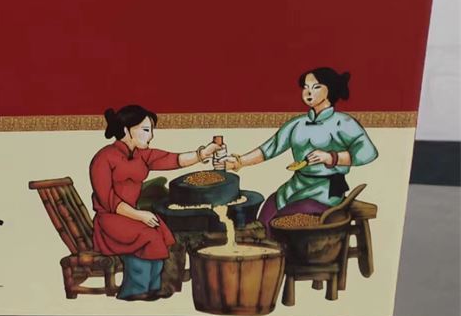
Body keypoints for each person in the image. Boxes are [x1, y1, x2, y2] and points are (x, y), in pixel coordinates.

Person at [90, 105, 222, 301]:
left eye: (151, 130)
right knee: (148, 234)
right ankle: (135, 290)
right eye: (145, 130)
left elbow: (174, 159)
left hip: (132, 217)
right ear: (126, 130)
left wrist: (204, 153)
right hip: (110, 220)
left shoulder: (142, 155)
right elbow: (108, 199)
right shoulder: (103, 158)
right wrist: (140, 215)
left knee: (161, 232)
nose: (150, 136)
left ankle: (153, 288)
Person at [223, 67, 378, 231]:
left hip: (325, 191)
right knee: (267, 214)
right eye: (305, 87)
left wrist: (331, 157)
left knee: (283, 221)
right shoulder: (297, 123)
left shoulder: (343, 122)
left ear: (330, 89)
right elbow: (270, 148)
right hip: (295, 186)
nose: (308, 92)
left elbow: (369, 152)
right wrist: (239, 162)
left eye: (316, 87)